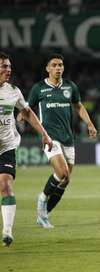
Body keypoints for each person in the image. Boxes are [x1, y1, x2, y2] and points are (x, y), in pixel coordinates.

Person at [26, 54, 97, 228]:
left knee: (65, 180)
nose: (58, 68)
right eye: (55, 65)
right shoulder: (39, 88)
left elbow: (79, 106)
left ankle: (44, 216)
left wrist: (89, 124)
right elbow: (27, 108)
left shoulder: (70, 86)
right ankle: (42, 199)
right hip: (50, 137)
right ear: (48, 69)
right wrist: (21, 115)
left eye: (61, 65)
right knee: (62, 172)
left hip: (68, 138)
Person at [0, 52, 53, 246]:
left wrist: (44, 134)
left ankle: (7, 231)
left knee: (5, 185)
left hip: (7, 146)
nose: (8, 70)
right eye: (4, 66)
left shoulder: (13, 91)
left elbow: (27, 113)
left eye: (9, 66)